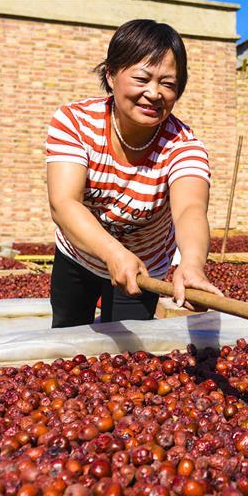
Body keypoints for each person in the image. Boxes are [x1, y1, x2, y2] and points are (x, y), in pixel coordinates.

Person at [45, 19, 222, 328]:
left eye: (168, 84)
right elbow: (64, 203)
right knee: (68, 338)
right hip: (79, 254)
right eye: (142, 78)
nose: (154, 93)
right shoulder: (75, 122)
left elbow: (190, 209)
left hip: (144, 264)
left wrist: (192, 264)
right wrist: (113, 253)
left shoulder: (183, 145)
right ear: (111, 74)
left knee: (129, 357)